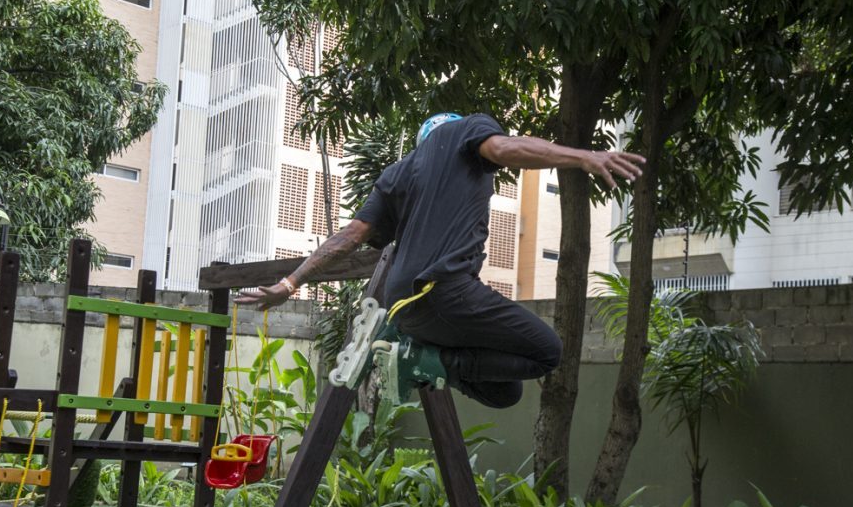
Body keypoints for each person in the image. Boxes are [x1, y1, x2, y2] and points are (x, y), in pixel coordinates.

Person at [236, 113, 645, 408]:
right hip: (445, 290)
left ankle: (423, 359)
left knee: (505, 391)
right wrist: (582, 157)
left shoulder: (397, 174)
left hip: (405, 309)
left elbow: (350, 237)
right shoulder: (464, 130)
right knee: (548, 352)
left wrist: (289, 284)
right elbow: (505, 148)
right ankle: (421, 361)